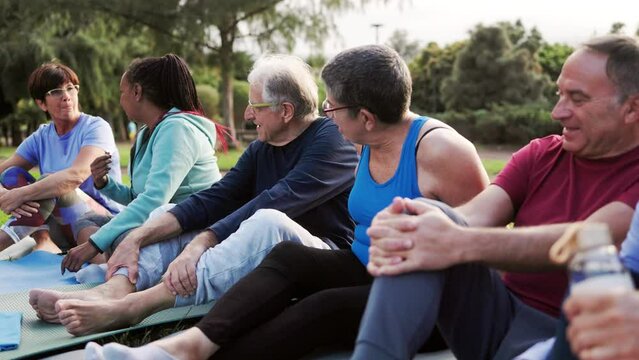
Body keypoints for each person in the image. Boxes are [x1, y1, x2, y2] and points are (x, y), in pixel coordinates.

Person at [84, 45, 489, 359]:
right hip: (363, 265)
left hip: (425, 297)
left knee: (320, 309)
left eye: (332, 108)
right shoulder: (365, 137)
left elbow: (484, 250)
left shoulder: (441, 152)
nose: (325, 115)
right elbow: (224, 196)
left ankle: (188, 353)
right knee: (288, 257)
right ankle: (186, 342)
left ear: (365, 116)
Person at [347, 35, 639, 360]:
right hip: (498, 316)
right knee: (425, 217)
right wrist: (425, 229)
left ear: (632, 108)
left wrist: (457, 243)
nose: (558, 111)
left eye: (578, 98)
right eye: (560, 94)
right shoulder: (542, 154)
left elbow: (589, 240)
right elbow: (471, 217)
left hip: (579, 338)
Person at [29, 54, 360, 332]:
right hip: (265, 249)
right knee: (166, 214)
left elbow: (276, 200)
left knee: (267, 221)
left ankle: (137, 306)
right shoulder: (265, 146)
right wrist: (138, 237)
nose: (247, 115)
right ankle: (111, 291)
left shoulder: (330, 140)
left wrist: (202, 241)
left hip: (321, 256)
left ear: (286, 111)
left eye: (254, 106)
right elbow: (217, 196)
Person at [58, 54, 223, 272]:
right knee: (87, 221)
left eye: (122, 92)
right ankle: (111, 268)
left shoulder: (178, 130)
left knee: (115, 237)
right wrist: (105, 183)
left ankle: (113, 270)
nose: (120, 100)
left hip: (187, 230)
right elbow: (138, 197)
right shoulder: (147, 132)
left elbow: (154, 200)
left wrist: (94, 243)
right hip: (157, 222)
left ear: (137, 92)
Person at [0, 62, 122, 254]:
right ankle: (43, 240)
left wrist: (20, 195)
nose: (66, 96)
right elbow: (3, 172)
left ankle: (3, 240)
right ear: (41, 103)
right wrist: (3, 195)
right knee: (12, 176)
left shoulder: (97, 127)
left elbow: (75, 176)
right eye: (56, 91)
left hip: (104, 226)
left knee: (53, 182)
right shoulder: (41, 136)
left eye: (70, 88)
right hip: (63, 226)